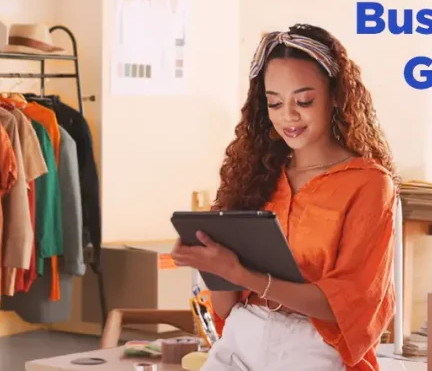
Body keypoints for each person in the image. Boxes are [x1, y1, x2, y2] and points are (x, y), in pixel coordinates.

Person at [170, 23, 399, 371]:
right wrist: (213, 266)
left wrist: (243, 274)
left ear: (336, 94)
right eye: (275, 103)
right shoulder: (255, 175)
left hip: (314, 349)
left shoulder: (368, 184)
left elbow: (347, 305)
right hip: (241, 338)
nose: (288, 116)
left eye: (304, 100)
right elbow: (227, 308)